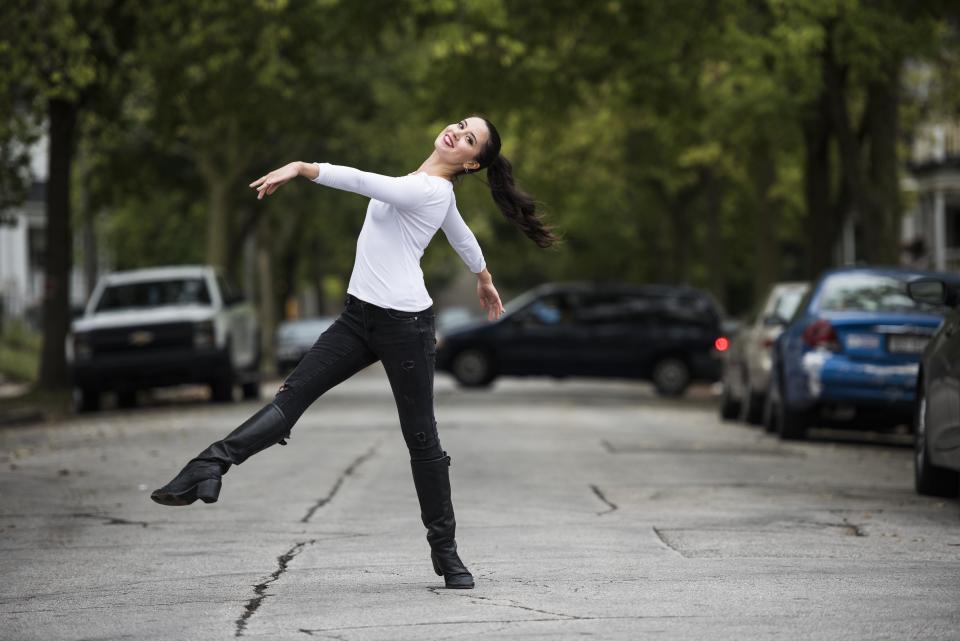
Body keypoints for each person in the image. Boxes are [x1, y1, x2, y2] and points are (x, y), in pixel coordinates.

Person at [150, 116, 556, 590]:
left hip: (406, 327)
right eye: (461, 124)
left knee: (422, 440)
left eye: (470, 140)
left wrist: (303, 167)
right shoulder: (424, 187)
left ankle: (446, 553)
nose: (457, 133)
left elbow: (366, 183)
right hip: (357, 318)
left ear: (470, 163)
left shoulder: (428, 190)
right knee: (291, 397)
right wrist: (483, 276)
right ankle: (209, 466)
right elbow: (462, 235)